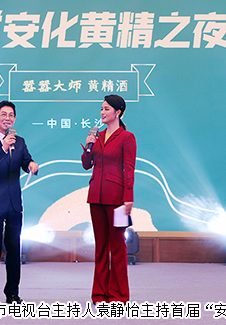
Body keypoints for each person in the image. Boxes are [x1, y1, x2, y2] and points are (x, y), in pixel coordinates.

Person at [0, 100, 39, 304]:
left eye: (11, 115)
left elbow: (25, 160)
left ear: (14, 118)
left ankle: (12, 292)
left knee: (14, 250)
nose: (7, 118)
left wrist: (31, 165)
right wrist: (3, 148)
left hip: (13, 203)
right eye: (3, 114)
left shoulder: (19, 141)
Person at [81, 94, 136, 303]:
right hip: (96, 196)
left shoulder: (127, 137)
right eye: (101, 108)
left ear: (118, 112)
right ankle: (99, 294)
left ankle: (119, 296)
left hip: (118, 199)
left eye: (106, 109)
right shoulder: (97, 136)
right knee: (101, 247)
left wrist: (128, 197)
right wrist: (88, 146)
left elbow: (129, 169)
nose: (102, 112)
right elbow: (87, 165)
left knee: (118, 247)